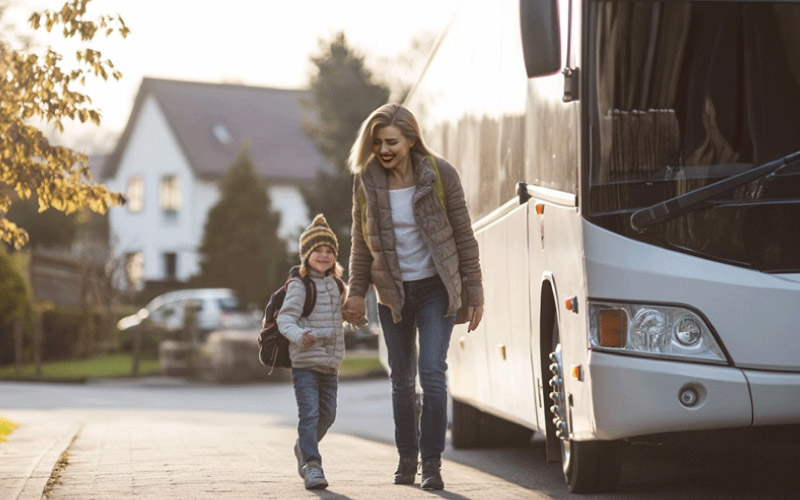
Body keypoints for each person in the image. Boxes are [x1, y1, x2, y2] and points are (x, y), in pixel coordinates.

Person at [343, 103, 484, 490]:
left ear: (410, 139)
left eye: (391, 142)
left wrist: (475, 292)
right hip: (393, 292)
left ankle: (433, 464)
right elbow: (361, 244)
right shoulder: (366, 181)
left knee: (432, 375)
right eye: (377, 143)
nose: (384, 150)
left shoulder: (439, 174)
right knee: (402, 380)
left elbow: (463, 236)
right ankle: (407, 458)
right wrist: (355, 293)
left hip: (436, 287)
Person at [277, 214, 345, 490]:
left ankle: (303, 448)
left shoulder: (337, 284)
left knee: (328, 415)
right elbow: (285, 319)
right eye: (318, 250)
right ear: (306, 254)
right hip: (305, 362)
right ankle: (312, 465)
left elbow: (342, 317)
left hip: (330, 364)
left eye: (329, 251)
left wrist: (356, 317)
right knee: (310, 415)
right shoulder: (300, 285)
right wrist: (298, 336)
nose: (324, 255)